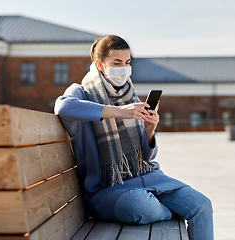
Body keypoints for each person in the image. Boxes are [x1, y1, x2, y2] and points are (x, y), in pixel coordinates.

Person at [54, 34, 214, 240]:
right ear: (100, 64)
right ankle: (170, 212)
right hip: (108, 189)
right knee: (140, 206)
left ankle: (164, 208)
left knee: (202, 205)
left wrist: (149, 131)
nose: (123, 68)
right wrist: (118, 111)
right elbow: (62, 106)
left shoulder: (129, 95)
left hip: (149, 178)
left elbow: (147, 157)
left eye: (127, 62)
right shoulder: (82, 92)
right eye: (117, 62)